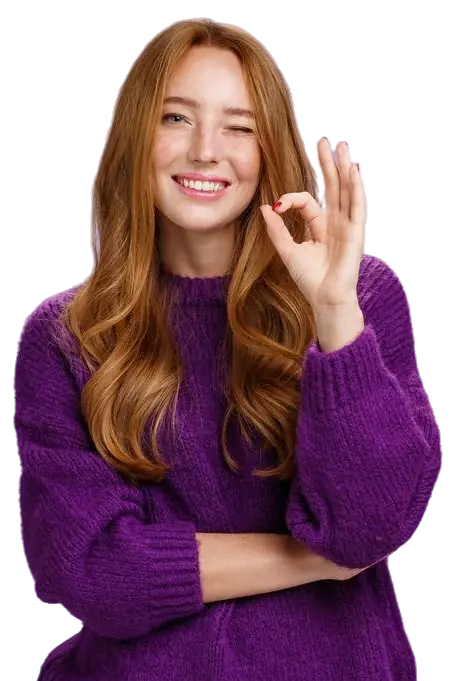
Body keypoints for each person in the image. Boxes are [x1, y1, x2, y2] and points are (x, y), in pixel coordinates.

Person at [14, 18, 443, 681]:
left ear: (269, 150)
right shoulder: (67, 336)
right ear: (136, 135)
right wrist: (312, 558)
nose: (206, 151)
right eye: (176, 118)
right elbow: (92, 569)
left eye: (239, 127)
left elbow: (370, 527)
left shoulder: (357, 299)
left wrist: (334, 317)